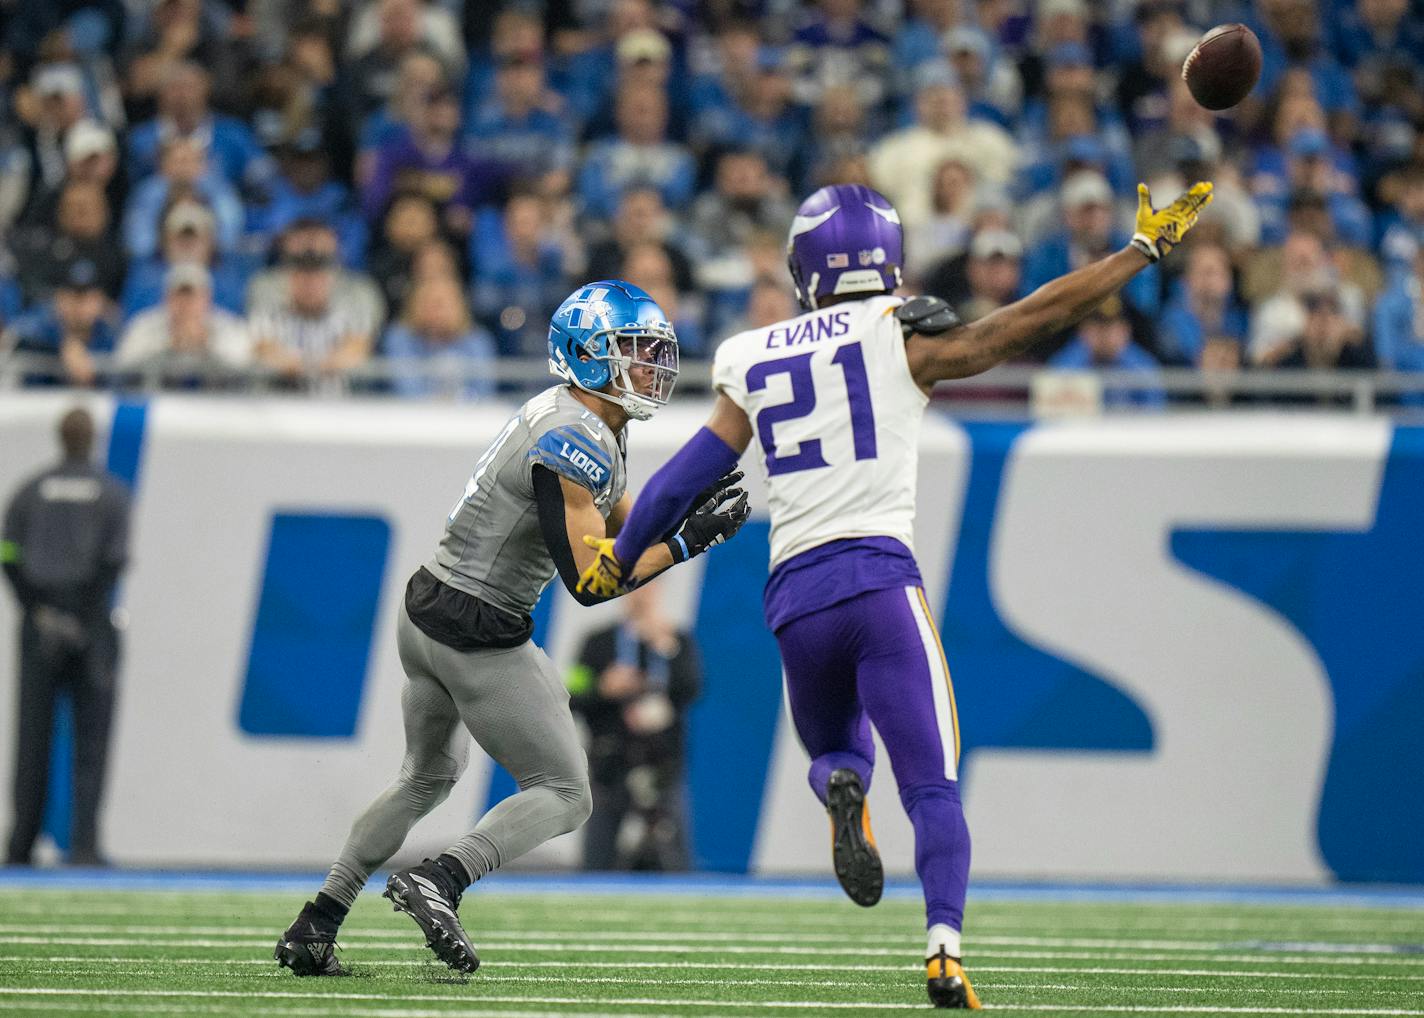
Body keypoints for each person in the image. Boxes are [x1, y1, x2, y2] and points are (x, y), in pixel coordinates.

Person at [575, 179, 1212, 1009]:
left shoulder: (752, 354)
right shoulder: (900, 333)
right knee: (932, 788)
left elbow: (685, 477)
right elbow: (1026, 321)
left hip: (795, 597)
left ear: (804, 266)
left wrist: (620, 557)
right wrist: (1139, 251)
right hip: (879, 582)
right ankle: (943, 951)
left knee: (835, 752)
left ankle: (844, 792)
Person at [274, 279, 750, 978]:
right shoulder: (575, 438)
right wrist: (686, 544)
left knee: (425, 776)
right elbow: (594, 582)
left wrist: (677, 511)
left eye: (654, 353)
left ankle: (317, 921)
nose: (650, 368)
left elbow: (622, 525)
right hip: (477, 627)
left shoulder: (581, 419)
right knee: (566, 792)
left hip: (429, 605)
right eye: (634, 352)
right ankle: (443, 878)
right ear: (588, 355)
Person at [2, 407, 131, 866]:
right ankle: (85, 845)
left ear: (60, 437)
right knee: (91, 742)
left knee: (33, 738)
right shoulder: (112, 494)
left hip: (39, 627)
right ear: (90, 439)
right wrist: (81, 614)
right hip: (92, 628)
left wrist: (38, 607)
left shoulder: (29, 492)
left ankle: (21, 845)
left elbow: (7, 551)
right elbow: (115, 561)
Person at [569, 578, 702, 871]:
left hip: (661, 765)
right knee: (597, 857)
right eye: (634, 588)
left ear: (660, 590)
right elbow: (572, 695)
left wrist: (668, 649)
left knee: (675, 859)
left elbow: (693, 689)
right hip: (610, 762)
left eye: (649, 587)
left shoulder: (676, 640)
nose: (641, 595)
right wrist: (604, 689)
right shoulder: (599, 642)